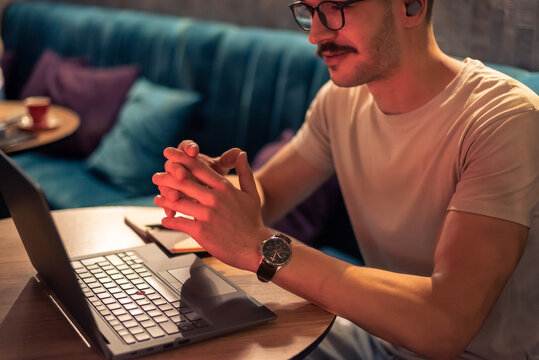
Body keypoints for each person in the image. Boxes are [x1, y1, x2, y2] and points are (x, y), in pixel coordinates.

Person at [152, 0, 539, 358]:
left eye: (336, 8)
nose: (316, 35)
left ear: (411, 6)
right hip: (378, 339)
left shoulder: (503, 119)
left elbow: (445, 322)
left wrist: (261, 247)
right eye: (310, 11)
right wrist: (209, 191)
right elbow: (268, 193)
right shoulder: (339, 102)